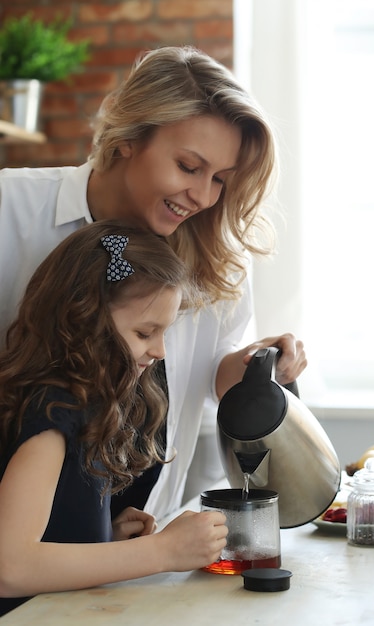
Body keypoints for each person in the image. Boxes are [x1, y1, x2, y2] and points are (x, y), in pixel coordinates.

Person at [0, 45, 307, 522]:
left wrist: (255, 365)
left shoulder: (219, 260)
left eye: (221, 179)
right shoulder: (9, 209)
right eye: (188, 167)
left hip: (138, 537)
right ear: (128, 136)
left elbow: (209, 379)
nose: (203, 197)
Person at [0, 221, 228, 616]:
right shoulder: (51, 414)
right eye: (144, 333)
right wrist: (161, 551)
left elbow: (47, 535)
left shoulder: (89, 405)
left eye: (164, 334)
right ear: (85, 319)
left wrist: (102, 538)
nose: (159, 350)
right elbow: (10, 567)